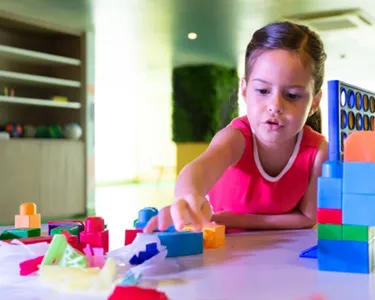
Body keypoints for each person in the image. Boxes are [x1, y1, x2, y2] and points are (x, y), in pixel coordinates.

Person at [144, 21, 328, 233]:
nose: (275, 106)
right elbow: (202, 167)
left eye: (292, 96)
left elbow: (307, 218)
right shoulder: (235, 138)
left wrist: (229, 219)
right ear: (244, 90)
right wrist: (188, 195)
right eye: (262, 91)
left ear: (314, 102)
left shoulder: (318, 152)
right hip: (224, 253)